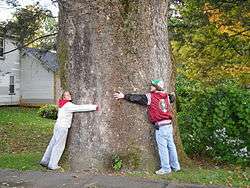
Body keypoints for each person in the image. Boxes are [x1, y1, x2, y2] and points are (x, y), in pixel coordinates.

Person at [113, 79, 180, 175]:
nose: (150, 87)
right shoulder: (167, 96)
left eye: (152, 85)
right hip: (169, 125)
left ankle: (166, 168)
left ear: (157, 87)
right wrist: (172, 94)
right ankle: (176, 166)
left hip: (161, 126)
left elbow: (138, 98)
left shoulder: (151, 97)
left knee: (163, 148)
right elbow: (172, 97)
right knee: (171, 146)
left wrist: (124, 96)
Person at [40, 91, 98, 170]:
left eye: (69, 94)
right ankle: (52, 164)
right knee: (59, 146)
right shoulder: (68, 105)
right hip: (62, 127)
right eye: (66, 95)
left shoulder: (61, 104)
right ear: (64, 98)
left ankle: (45, 160)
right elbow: (80, 108)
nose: (69, 96)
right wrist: (94, 107)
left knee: (53, 143)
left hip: (57, 126)